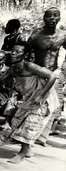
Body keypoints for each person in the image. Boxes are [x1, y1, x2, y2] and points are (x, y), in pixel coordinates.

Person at [0, 43, 59, 163]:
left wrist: (41, 95)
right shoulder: (13, 68)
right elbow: (1, 80)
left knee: (29, 124)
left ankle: (22, 153)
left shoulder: (29, 66)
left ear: (26, 55)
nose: (13, 53)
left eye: (18, 52)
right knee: (16, 121)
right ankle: (28, 149)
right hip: (30, 98)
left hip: (43, 99)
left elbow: (52, 76)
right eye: (13, 51)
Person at [27, 7, 66, 141]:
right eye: (49, 16)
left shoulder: (63, 36)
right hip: (37, 74)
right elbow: (26, 54)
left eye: (55, 16)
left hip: (54, 74)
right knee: (32, 105)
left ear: (59, 18)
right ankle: (27, 136)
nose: (52, 18)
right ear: (44, 18)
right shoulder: (35, 36)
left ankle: (41, 137)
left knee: (51, 107)